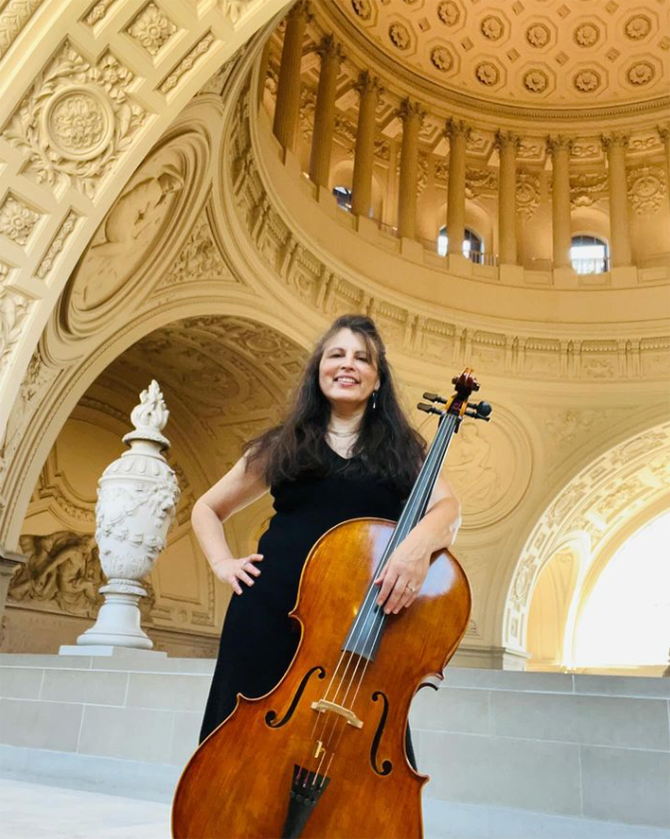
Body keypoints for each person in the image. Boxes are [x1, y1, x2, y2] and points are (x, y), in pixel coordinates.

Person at [192, 314, 461, 766]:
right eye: (336, 354)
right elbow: (206, 509)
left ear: (377, 380)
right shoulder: (284, 443)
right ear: (319, 371)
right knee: (243, 750)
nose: (347, 364)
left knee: (346, 756)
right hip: (269, 613)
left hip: (355, 622)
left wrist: (415, 550)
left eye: (362, 358)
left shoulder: (402, 449)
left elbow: (448, 512)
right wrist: (223, 563)